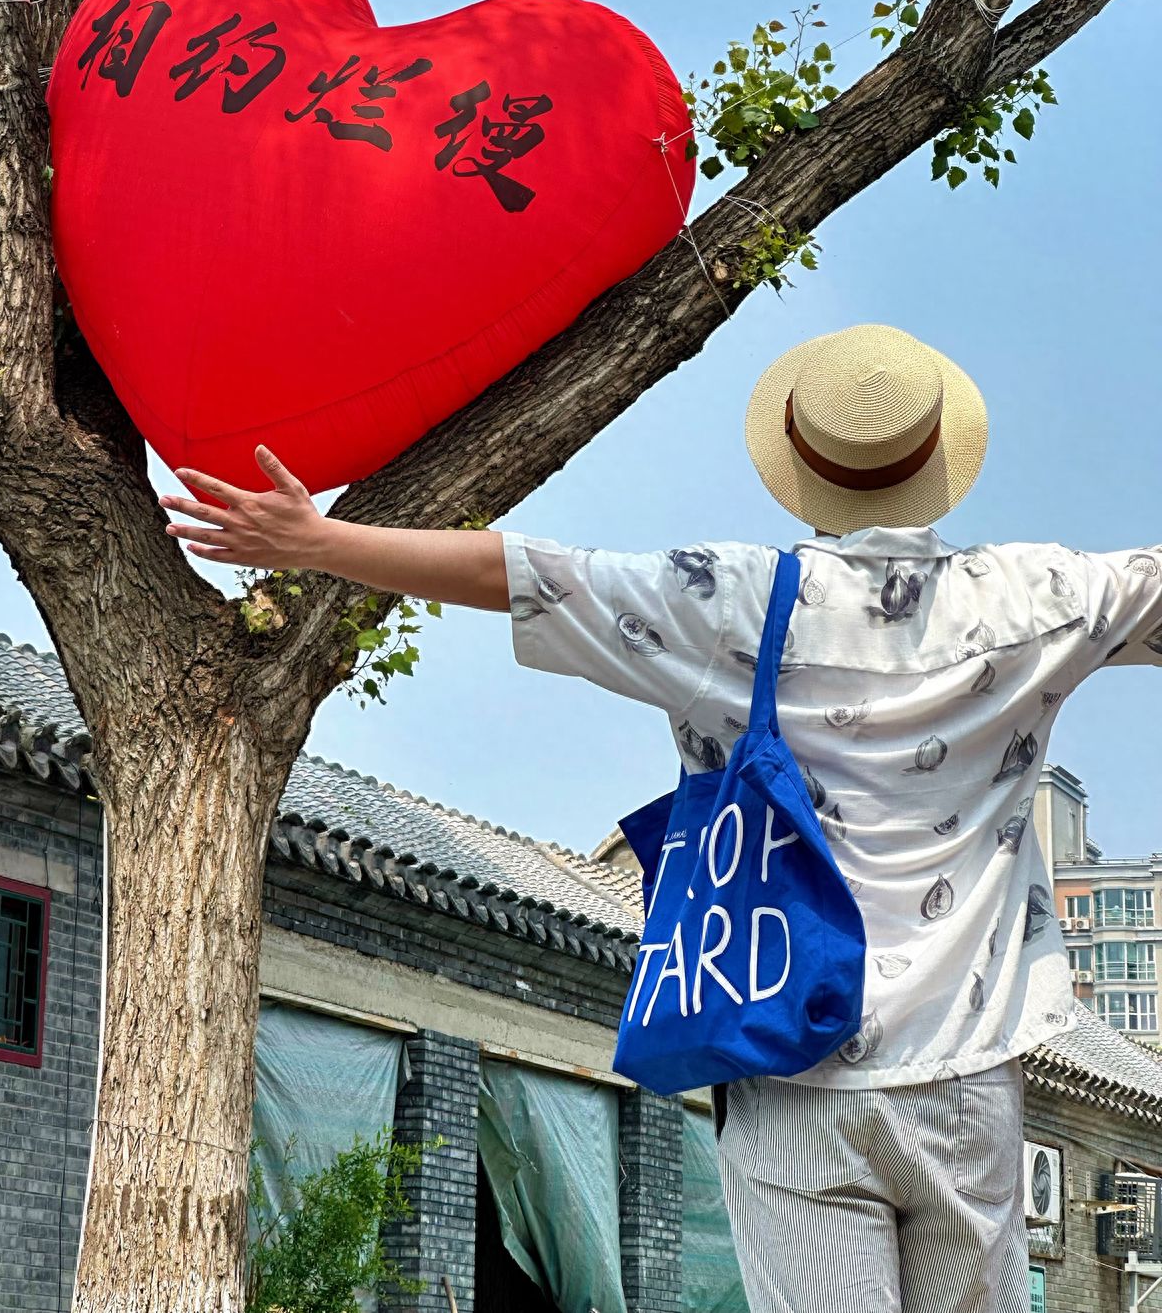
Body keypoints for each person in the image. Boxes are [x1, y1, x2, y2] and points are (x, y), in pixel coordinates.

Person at [159, 323, 1162, 1313]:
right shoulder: (1040, 599)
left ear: (801, 463)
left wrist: (317, 541)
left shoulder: (728, 600)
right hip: (962, 1076)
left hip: (781, 1057)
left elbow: (522, 572)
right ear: (938, 457)